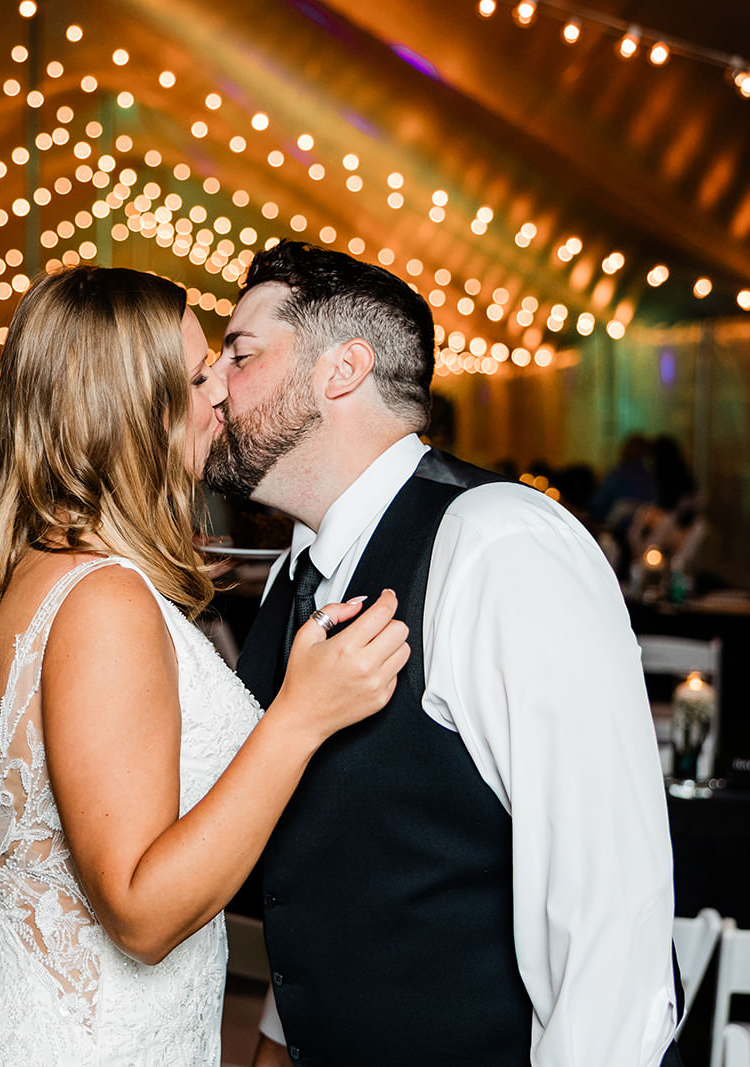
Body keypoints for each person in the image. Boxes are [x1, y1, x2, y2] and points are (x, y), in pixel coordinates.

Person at [0, 266, 410, 1065]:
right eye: (198, 373)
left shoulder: (52, 563)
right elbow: (139, 914)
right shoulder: (105, 600)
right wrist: (300, 716)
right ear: (129, 407)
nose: (220, 394)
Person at [201, 241, 683, 1066]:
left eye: (239, 354)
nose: (211, 385)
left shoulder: (500, 544)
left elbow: (609, 915)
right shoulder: (298, 567)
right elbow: (344, 856)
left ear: (341, 370)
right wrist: (282, 1040)